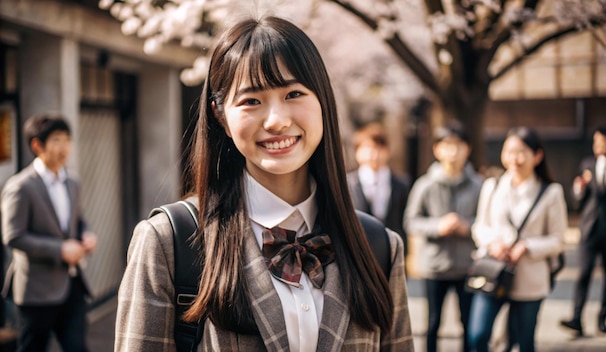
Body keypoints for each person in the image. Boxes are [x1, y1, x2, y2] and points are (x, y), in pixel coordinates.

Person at [115, 16, 413, 352]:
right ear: (220, 116)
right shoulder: (170, 243)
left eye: (294, 93)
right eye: (251, 101)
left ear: (323, 103)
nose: (277, 121)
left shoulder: (379, 247)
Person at [1, 113, 97, 352]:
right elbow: (13, 236)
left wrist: (86, 234)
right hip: (37, 291)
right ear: (37, 145)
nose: (64, 147)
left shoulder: (72, 182)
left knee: (78, 347)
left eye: (67, 139)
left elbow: (78, 220)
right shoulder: (21, 186)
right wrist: (60, 249)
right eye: (56, 140)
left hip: (72, 285)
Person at [467, 127, 567, 352]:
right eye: (510, 151)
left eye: (522, 152)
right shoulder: (492, 186)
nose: (515, 158)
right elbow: (480, 227)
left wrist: (527, 246)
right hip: (493, 272)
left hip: (529, 278)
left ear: (537, 155)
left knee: (524, 342)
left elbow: (558, 239)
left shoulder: (551, 192)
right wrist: (493, 243)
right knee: (477, 336)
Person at [403, 123, 482, 352]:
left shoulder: (478, 185)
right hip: (434, 267)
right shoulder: (425, 185)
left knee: (468, 324)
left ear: (468, 149)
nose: (453, 152)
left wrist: (466, 227)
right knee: (433, 323)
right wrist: (439, 226)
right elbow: (411, 221)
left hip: (468, 266)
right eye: (447, 146)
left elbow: (487, 220)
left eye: (459, 146)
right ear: (437, 149)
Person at [560, 126, 606, 336]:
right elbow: (579, 201)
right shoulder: (587, 164)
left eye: (601, 142)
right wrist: (578, 188)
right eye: (595, 141)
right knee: (583, 273)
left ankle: (603, 319)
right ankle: (577, 318)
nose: (596, 146)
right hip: (589, 229)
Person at [347, 123, 410, 254]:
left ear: (387, 151)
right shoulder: (347, 183)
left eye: (379, 147)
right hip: (356, 250)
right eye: (367, 147)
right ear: (357, 152)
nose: (373, 153)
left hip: (391, 250)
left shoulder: (401, 184)